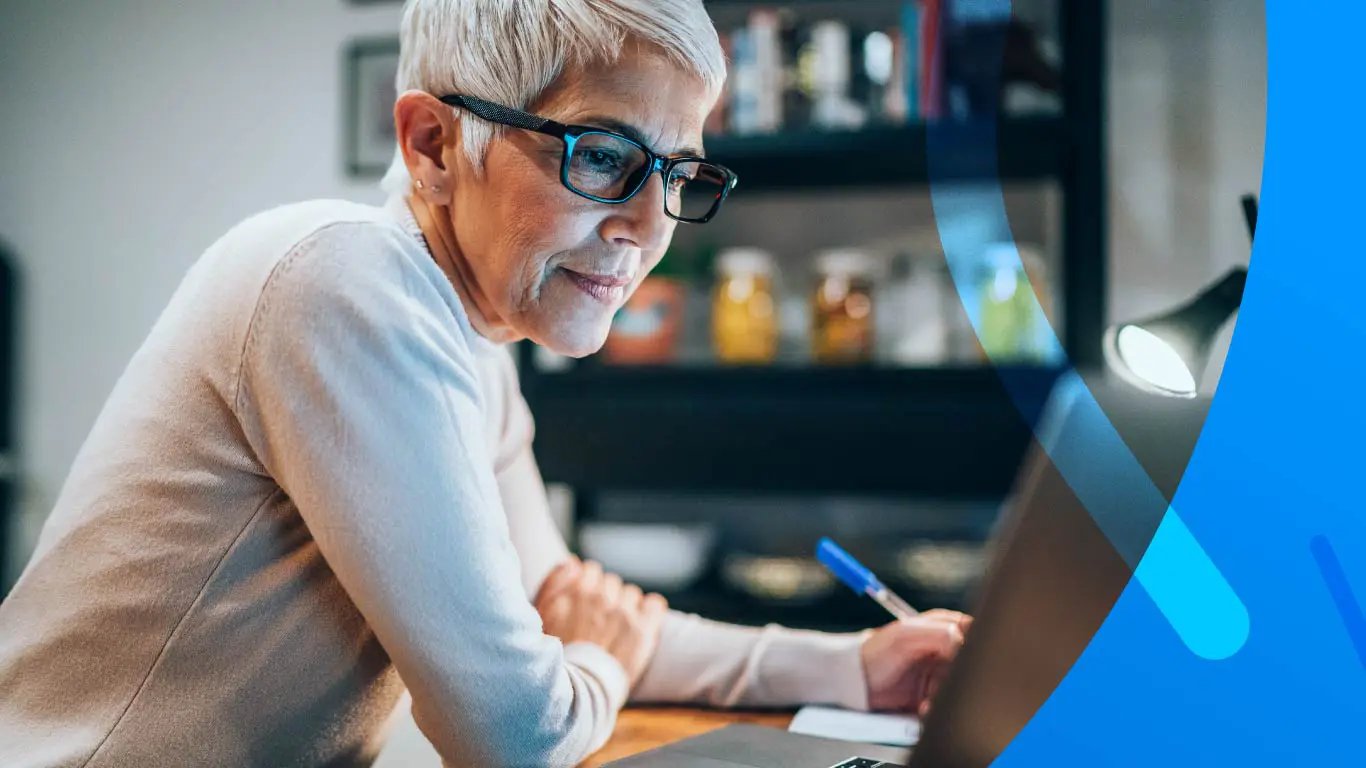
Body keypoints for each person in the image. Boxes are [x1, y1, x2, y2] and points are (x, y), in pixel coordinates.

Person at [0, 1, 970, 766]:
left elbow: (559, 605)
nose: (647, 226)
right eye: (601, 156)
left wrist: (853, 667)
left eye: (675, 171)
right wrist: (597, 660)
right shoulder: (345, 283)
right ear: (430, 145)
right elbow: (516, 736)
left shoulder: (473, 343)